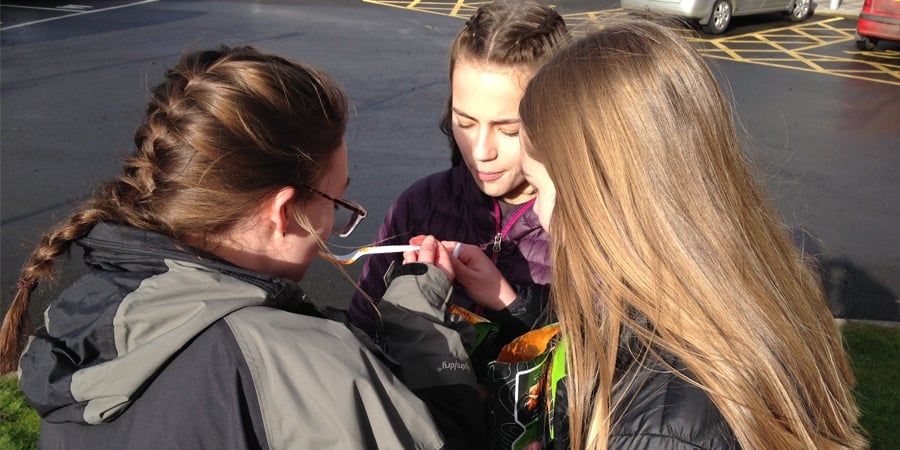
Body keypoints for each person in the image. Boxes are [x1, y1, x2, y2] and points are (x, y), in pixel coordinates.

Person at [0, 45, 485, 449]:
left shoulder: (86, 317)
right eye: (338, 202)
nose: (335, 223)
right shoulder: (306, 366)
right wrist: (419, 328)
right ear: (284, 211)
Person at [507, 13, 867, 449]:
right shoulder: (759, 299)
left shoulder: (661, 430)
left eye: (538, 187)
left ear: (594, 198)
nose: (536, 211)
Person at [350, 0, 568, 345]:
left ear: (559, 117)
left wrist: (512, 304)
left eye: (509, 130)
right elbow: (363, 333)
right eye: (464, 122)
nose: (481, 152)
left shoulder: (588, 229)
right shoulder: (419, 206)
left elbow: (613, 360)